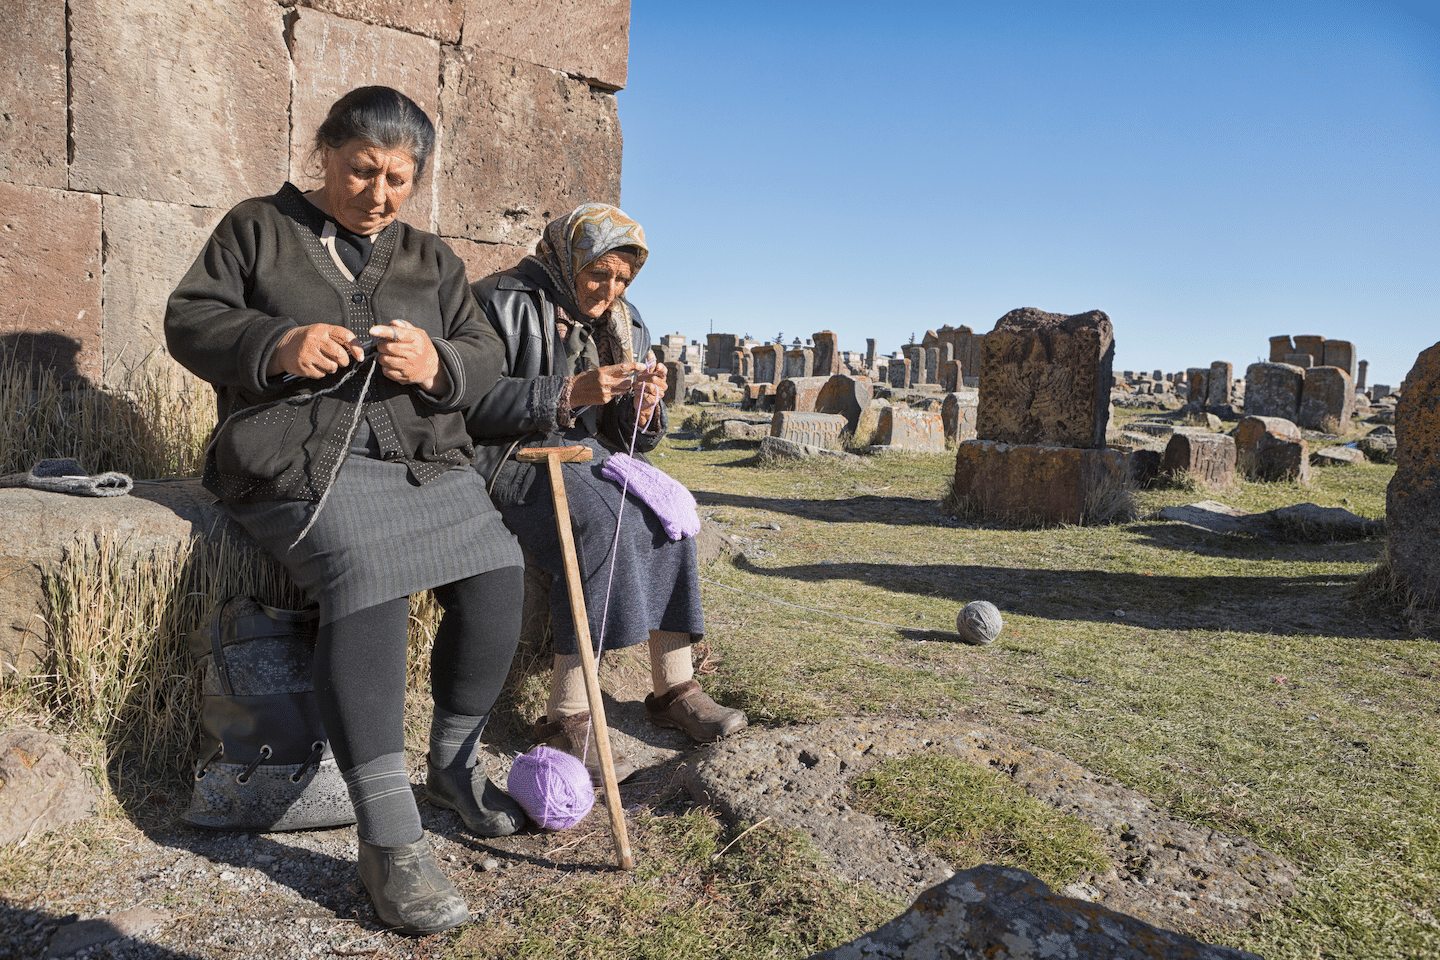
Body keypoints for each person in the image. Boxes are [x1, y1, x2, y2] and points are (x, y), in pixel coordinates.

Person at [165, 86, 524, 936]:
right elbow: (190, 319)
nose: (379, 193)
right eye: (363, 170)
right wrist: (275, 345)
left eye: (399, 179)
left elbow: (485, 353)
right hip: (300, 463)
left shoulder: (432, 262)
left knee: (500, 571)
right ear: (325, 152)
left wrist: (436, 360)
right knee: (368, 576)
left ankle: (453, 767)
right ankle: (390, 843)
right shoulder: (255, 228)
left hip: (423, 463)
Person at [466, 203, 747, 784]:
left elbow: (630, 439)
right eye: (599, 273)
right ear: (569, 259)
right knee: (602, 519)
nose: (609, 289)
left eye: (623, 278)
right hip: (512, 456)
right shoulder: (500, 301)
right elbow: (469, 404)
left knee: (671, 511)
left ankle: (674, 687)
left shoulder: (626, 321)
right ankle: (566, 714)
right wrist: (568, 393)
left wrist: (643, 407)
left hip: (590, 458)